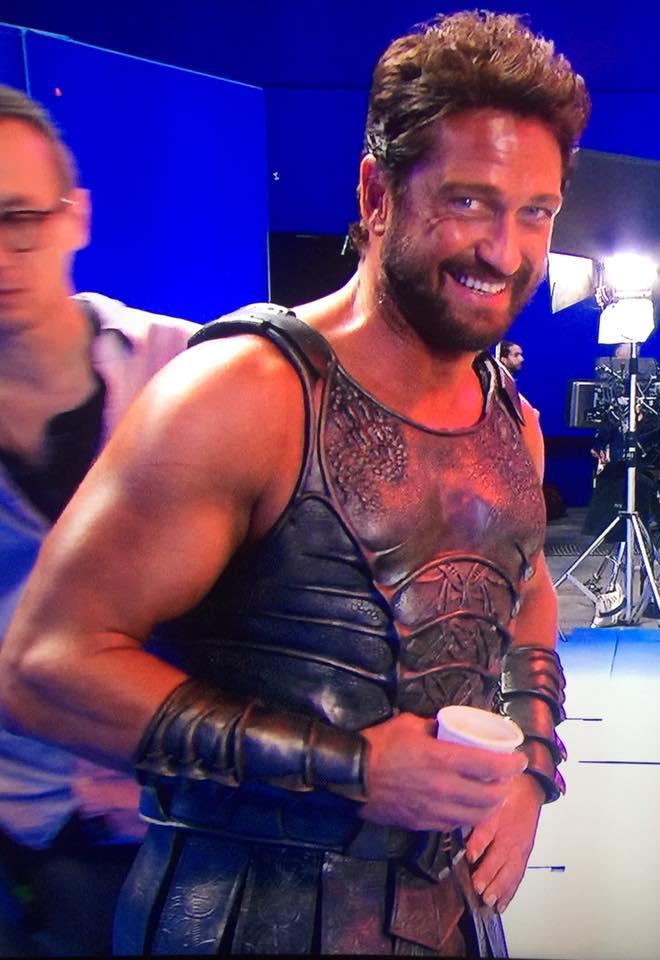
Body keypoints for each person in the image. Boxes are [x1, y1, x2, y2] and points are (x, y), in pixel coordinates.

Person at [0, 12, 589, 956]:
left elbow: (527, 598)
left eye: (536, 212)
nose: (505, 251)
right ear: (377, 194)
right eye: (470, 202)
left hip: (449, 919)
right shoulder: (243, 395)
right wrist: (352, 768)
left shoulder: (508, 418)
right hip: (236, 920)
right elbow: (43, 670)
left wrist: (529, 766)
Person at [0, 85, 197, 955]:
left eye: (18, 220)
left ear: (74, 216)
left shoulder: (188, 373)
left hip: (194, 819)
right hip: (24, 831)